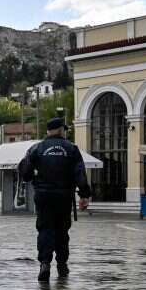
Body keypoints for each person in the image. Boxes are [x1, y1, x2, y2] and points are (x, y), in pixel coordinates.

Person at [19, 117, 92, 281]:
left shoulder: (36, 148)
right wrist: (84, 195)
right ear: (61, 130)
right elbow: (80, 173)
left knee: (45, 228)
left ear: (48, 131)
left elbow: (25, 172)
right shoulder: (71, 148)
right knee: (62, 230)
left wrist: (34, 179)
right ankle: (62, 264)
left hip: (43, 195)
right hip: (64, 195)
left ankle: (45, 263)